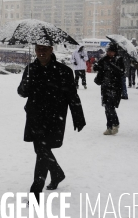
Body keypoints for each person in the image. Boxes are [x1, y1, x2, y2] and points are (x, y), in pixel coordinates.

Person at [17, 43, 86, 203]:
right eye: (38, 49)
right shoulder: (30, 69)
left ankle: (36, 191)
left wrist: (78, 116)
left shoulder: (63, 71)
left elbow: (72, 95)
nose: (41, 52)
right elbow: (21, 92)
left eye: (44, 49)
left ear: (51, 50)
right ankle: (57, 173)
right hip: (35, 116)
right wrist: (26, 83)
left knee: (42, 151)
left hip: (54, 117)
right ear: (35, 50)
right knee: (41, 150)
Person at [93, 43, 125, 135]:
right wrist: (96, 67)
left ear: (115, 52)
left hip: (115, 86)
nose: (109, 53)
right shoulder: (103, 59)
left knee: (110, 106)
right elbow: (98, 68)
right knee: (106, 107)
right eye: (108, 51)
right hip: (105, 85)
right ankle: (109, 127)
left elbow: (122, 72)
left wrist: (112, 66)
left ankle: (115, 123)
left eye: (111, 51)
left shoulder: (119, 59)